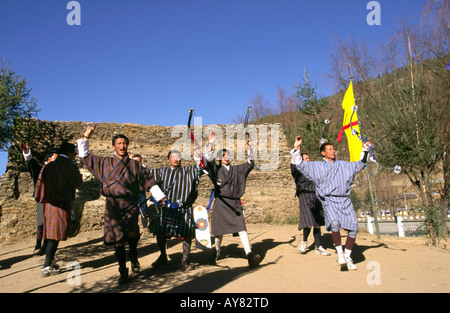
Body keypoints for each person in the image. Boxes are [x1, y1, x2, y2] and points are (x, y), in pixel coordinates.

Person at [77, 125, 165, 284]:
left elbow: (149, 181)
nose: (122, 146)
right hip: (112, 206)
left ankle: (133, 254)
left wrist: (160, 198)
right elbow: (85, 157)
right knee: (117, 239)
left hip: (130, 205)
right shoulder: (104, 163)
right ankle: (122, 270)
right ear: (113, 146)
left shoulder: (135, 165)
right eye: (119, 143)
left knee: (131, 234)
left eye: (124, 143)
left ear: (127, 145)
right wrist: (86, 136)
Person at [291, 136, 372, 270]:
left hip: (344, 200)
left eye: (333, 149)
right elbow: (300, 164)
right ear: (323, 153)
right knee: (334, 223)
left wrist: (365, 150)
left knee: (353, 229)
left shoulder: (344, 165)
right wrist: (296, 147)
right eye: (329, 149)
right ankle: (340, 253)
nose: (333, 151)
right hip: (328, 200)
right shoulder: (317, 166)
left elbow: (360, 164)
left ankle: (347, 256)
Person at [204, 132, 260, 267]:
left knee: (242, 228)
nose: (226, 157)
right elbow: (207, 159)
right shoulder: (215, 169)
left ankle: (249, 254)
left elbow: (249, 163)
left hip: (235, 203)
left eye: (227, 154)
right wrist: (210, 143)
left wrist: (250, 149)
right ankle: (217, 251)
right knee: (219, 232)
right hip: (221, 203)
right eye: (223, 155)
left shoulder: (237, 169)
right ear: (218, 158)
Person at [147, 149, 202, 271]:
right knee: (161, 232)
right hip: (167, 208)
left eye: (178, 157)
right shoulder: (161, 172)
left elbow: (201, 168)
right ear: (168, 159)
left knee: (187, 233)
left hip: (183, 208)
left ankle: (185, 260)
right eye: (173, 157)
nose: (176, 159)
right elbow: (146, 175)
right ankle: (163, 256)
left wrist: (200, 156)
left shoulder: (189, 171)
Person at [34, 142, 83, 277]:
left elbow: (38, 185)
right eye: (74, 154)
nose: (74, 156)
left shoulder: (47, 167)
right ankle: (46, 266)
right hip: (61, 204)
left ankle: (50, 261)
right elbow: (78, 183)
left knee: (49, 234)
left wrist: (40, 200)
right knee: (55, 235)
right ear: (69, 153)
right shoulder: (69, 166)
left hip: (48, 204)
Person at [20, 143, 58, 255]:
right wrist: (27, 153)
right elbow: (31, 163)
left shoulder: (57, 172)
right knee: (41, 222)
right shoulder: (40, 169)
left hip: (54, 201)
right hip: (42, 199)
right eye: (55, 158)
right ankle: (38, 244)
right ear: (48, 159)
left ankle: (47, 246)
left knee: (51, 224)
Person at [291, 152, 330, 256]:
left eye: (309, 158)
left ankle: (318, 246)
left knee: (318, 221)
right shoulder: (298, 171)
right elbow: (293, 166)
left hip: (317, 195)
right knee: (308, 220)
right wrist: (296, 150)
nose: (308, 160)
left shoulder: (315, 170)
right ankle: (304, 242)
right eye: (305, 158)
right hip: (304, 195)